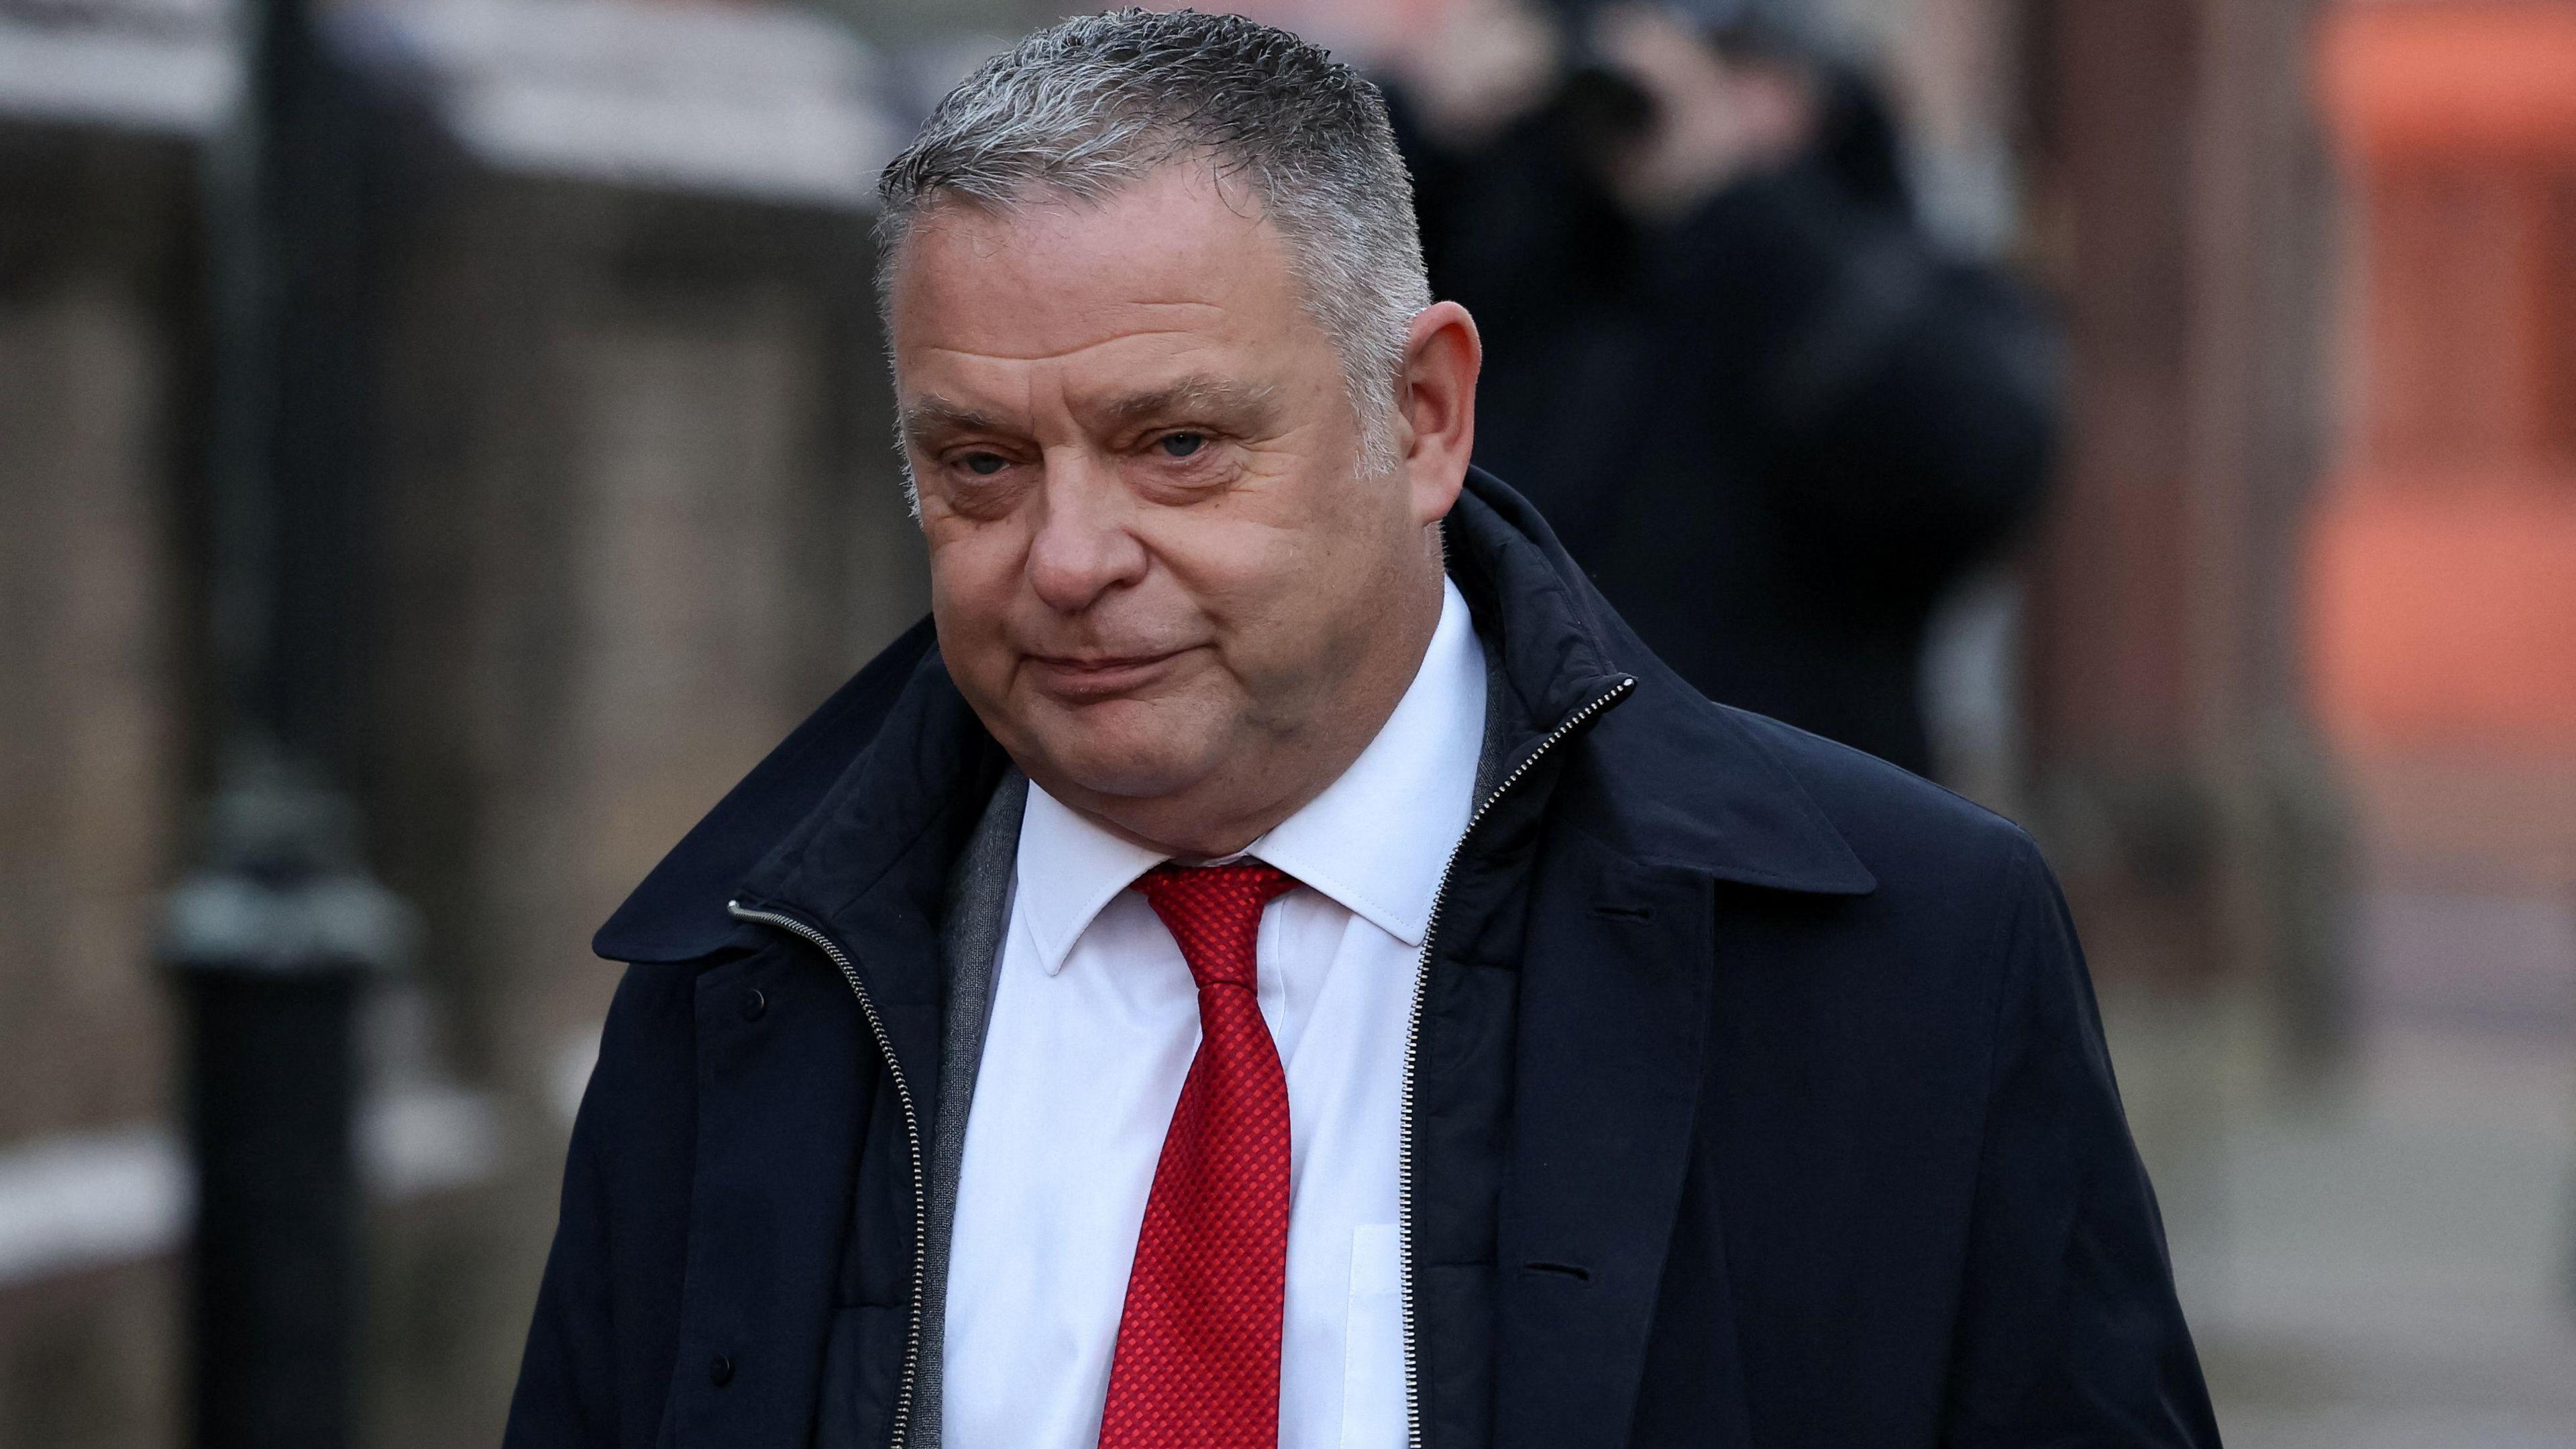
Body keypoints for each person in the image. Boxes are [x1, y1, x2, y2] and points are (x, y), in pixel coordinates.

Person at [504, 11, 2215, 1449]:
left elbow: (1960, 440)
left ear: (1423, 417)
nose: (1069, 557)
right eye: (979, 464)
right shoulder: (733, 986)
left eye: (1174, 442)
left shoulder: (1904, 964)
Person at [1393, 0, 2057, 778]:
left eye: (1732, 64)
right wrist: (1420, 147)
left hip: (1798, 811)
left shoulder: (1877, 274)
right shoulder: (1520, 245)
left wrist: (1727, 207)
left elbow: (1973, 464)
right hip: (1512, 808)